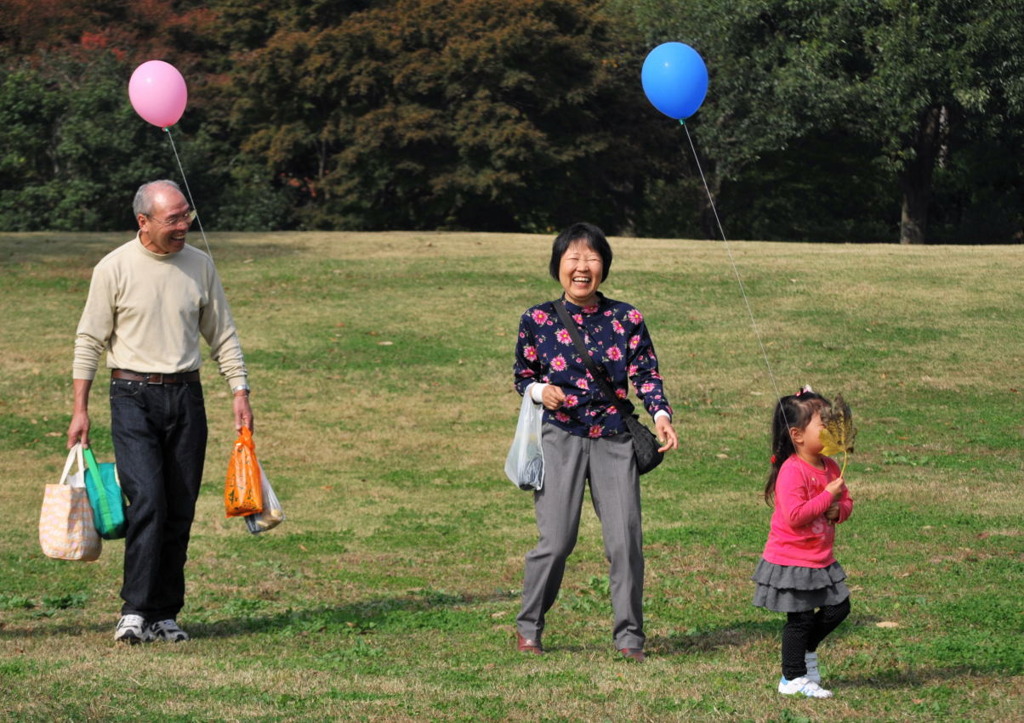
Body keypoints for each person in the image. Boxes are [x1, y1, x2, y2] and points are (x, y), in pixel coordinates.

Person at [67, 179, 253, 644]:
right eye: (173, 218)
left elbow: (223, 333)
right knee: (148, 498)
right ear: (143, 221)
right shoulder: (113, 268)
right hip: (131, 396)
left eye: (186, 215)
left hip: (187, 398)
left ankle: (165, 614)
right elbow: (89, 340)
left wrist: (239, 390)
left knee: (180, 508)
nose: (183, 225)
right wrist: (80, 409)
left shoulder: (200, 266)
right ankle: (135, 611)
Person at [512, 222, 679, 662]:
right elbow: (523, 376)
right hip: (560, 435)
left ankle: (629, 638)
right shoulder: (537, 319)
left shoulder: (627, 317)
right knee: (557, 541)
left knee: (625, 541)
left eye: (591, 258)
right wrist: (539, 391)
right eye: (573, 259)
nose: (582, 267)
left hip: (614, 438)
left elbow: (646, 373)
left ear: (603, 266)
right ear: (558, 266)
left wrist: (660, 414)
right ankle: (529, 627)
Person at [752, 387, 854, 698]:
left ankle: (808, 651)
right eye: (824, 425)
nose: (832, 429)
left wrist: (839, 509)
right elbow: (795, 515)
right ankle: (792, 678)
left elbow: (846, 503)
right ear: (797, 435)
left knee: (840, 607)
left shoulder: (831, 467)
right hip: (792, 559)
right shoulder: (792, 471)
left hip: (820, 557)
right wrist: (827, 498)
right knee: (799, 619)